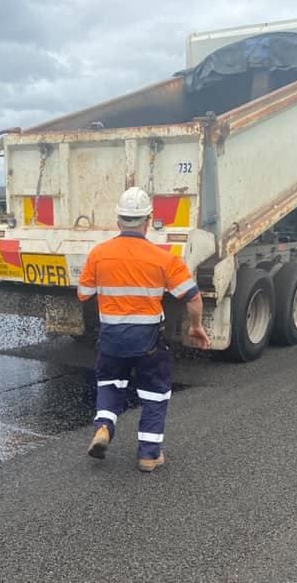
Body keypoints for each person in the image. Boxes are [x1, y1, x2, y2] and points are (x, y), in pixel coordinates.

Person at [77, 186, 210, 472]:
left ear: (118, 221)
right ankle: (148, 455)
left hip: (111, 340)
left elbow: (83, 294)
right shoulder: (163, 258)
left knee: (110, 383)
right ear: (148, 221)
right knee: (154, 393)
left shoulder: (99, 254)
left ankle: (104, 427)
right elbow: (193, 297)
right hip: (148, 342)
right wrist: (195, 326)